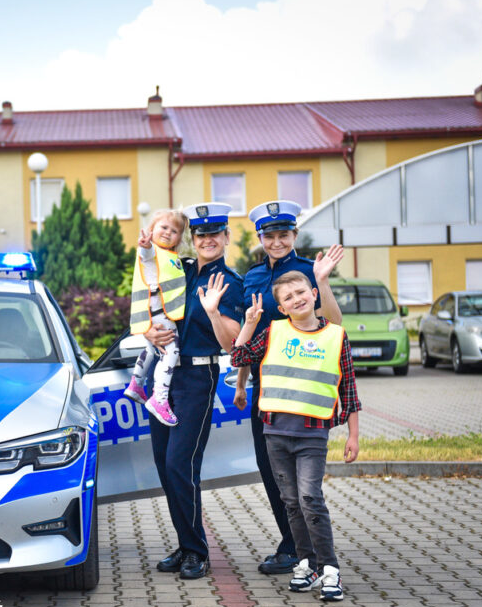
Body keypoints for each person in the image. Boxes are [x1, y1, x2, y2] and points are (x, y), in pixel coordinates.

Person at [228, 270, 360, 601]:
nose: (296, 299)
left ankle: (330, 570)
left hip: (312, 435)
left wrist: (353, 436)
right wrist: (249, 323)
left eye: (301, 292)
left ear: (314, 294)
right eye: (288, 298)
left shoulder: (336, 336)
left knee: (310, 499)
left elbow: (349, 389)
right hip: (275, 433)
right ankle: (307, 564)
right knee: (291, 502)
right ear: (282, 308)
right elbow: (238, 357)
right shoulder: (272, 332)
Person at [236, 200, 345, 575]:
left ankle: (302, 551)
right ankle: (296, 545)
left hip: (301, 389)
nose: (277, 242)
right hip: (265, 389)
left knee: (303, 481)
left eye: (284, 234)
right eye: (270, 236)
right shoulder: (252, 277)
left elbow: (334, 324)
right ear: (260, 238)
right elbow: (250, 333)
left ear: (294, 235)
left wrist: (323, 282)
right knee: (271, 470)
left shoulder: (310, 271)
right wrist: (242, 384)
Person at [143, 202, 244, 580]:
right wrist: (147, 331)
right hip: (162, 376)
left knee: (180, 465)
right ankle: (186, 544)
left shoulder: (230, 282)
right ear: (193, 238)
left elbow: (233, 343)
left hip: (198, 377)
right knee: (164, 466)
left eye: (215, 234)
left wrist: (214, 311)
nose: (207, 240)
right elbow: (146, 300)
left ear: (226, 237)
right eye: (200, 234)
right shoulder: (177, 268)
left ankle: (197, 551)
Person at [124, 209, 188, 426]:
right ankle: (159, 398)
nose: (168, 233)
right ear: (151, 230)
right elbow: (147, 254)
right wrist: (145, 245)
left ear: (179, 238)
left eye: (174, 231)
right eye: (164, 227)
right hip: (161, 313)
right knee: (171, 351)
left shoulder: (170, 257)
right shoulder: (153, 252)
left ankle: (136, 384)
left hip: (155, 312)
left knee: (151, 349)